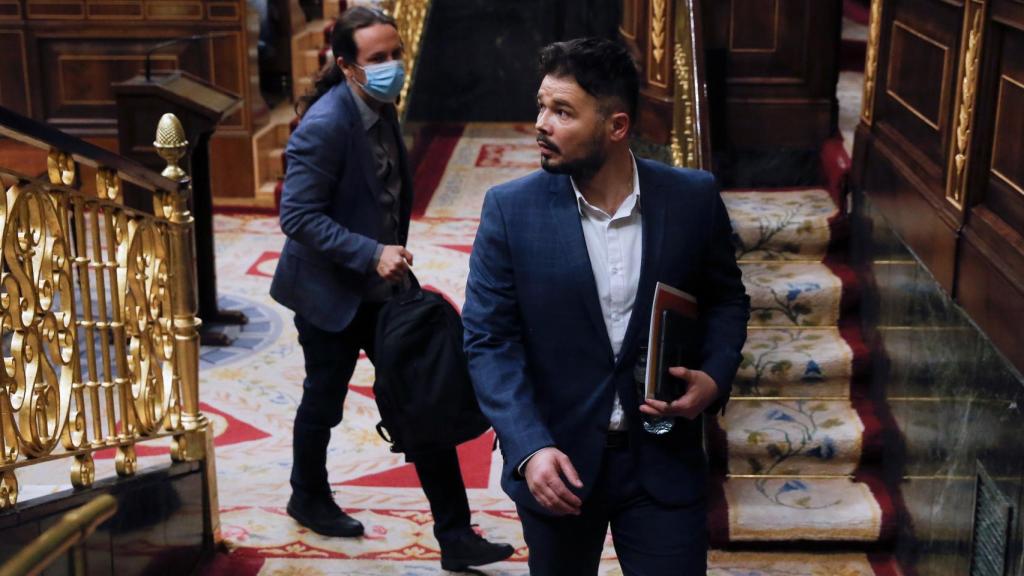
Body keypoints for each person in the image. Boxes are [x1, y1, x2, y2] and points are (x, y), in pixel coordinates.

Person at [462, 38, 750, 575]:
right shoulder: (509, 210)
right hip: (559, 467)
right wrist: (528, 447)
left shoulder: (691, 198)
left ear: (616, 126)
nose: (541, 123)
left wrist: (713, 376)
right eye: (541, 106)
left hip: (663, 463)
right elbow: (488, 341)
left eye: (562, 111)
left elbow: (727, 299)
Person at [269, 7, 514, 571]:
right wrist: (370, 251)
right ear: (347, 65)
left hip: (385, 291)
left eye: (396, 55)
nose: (393, 67)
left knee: (423, 395)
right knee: (323, 401)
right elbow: (297, 216)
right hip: (329, 294)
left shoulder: (380, 105)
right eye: (378, 59)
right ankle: (307, 494)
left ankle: (455, 536)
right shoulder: (327, 124)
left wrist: (386, 257)